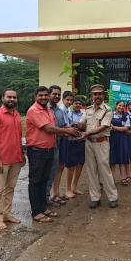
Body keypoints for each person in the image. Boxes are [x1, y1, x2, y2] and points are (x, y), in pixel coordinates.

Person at [26, 86, 80, 223]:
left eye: (45, 95)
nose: (44, 98)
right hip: (37, 150)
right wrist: (68, 132)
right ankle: (36, 212)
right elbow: (49, 128)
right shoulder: (34, 110)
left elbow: (57, 129)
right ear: (35, 97)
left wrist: (70, 131)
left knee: (44, 180)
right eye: (41, 95)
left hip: (50, 149)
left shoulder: (48, 110)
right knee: (35, 182)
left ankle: (43, 208)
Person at [0, 89, 25, 230]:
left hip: (16, 158)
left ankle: (7, 214)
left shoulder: (16, 114)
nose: (12, 99)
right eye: (9, 97)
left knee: (10, 188)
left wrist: (22, 155)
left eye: (14, 97)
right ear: (2, 98)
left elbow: (18, 137)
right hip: (2, 160)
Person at [78, 84, 119, 209]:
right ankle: (95, 197)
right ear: (91, 96)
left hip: (101, 143)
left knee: (104, 170)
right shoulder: (88, 110)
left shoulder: (108, 110)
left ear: (103, 95)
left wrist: (87, 133)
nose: (97, 96)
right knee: (91, 171)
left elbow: (104, 126)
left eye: (100, 93)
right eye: (95, 94)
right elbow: (81, 123)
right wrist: (75, 126)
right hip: (89, 143)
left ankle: (113, 197)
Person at [59, 95, 85, 199]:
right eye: (75, 103)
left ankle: (74, 187)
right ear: (72, 105)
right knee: (71, 166)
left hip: (82, 141)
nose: (77, 105)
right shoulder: (68, 113)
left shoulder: (84, 114)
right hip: (71, 142)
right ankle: (68, 189)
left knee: (80, 164)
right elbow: (67, 126)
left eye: (79, 103)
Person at [46, 85, 67, 207]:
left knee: (57, 169)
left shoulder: (59, 110)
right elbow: (49, 129)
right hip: (47, 146)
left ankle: (55, 194)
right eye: (54, 94)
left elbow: (63, 127)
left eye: (59, 94)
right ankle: (45, 198)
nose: (57, 96)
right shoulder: (44, 110)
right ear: (49, 94)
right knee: (47, 173)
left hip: (59, 144)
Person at [110, 100, 131, 185]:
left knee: (122, 158)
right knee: (112, 159)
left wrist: (114, 127)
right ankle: (111, 179)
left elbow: (126, 128)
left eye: (123, 106)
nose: (121, 107)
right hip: (112, 139)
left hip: (122, 139)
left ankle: (123, 178)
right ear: (116, 105)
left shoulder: (126, 116)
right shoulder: (111, 114)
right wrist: (117, 128)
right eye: (119, 105)